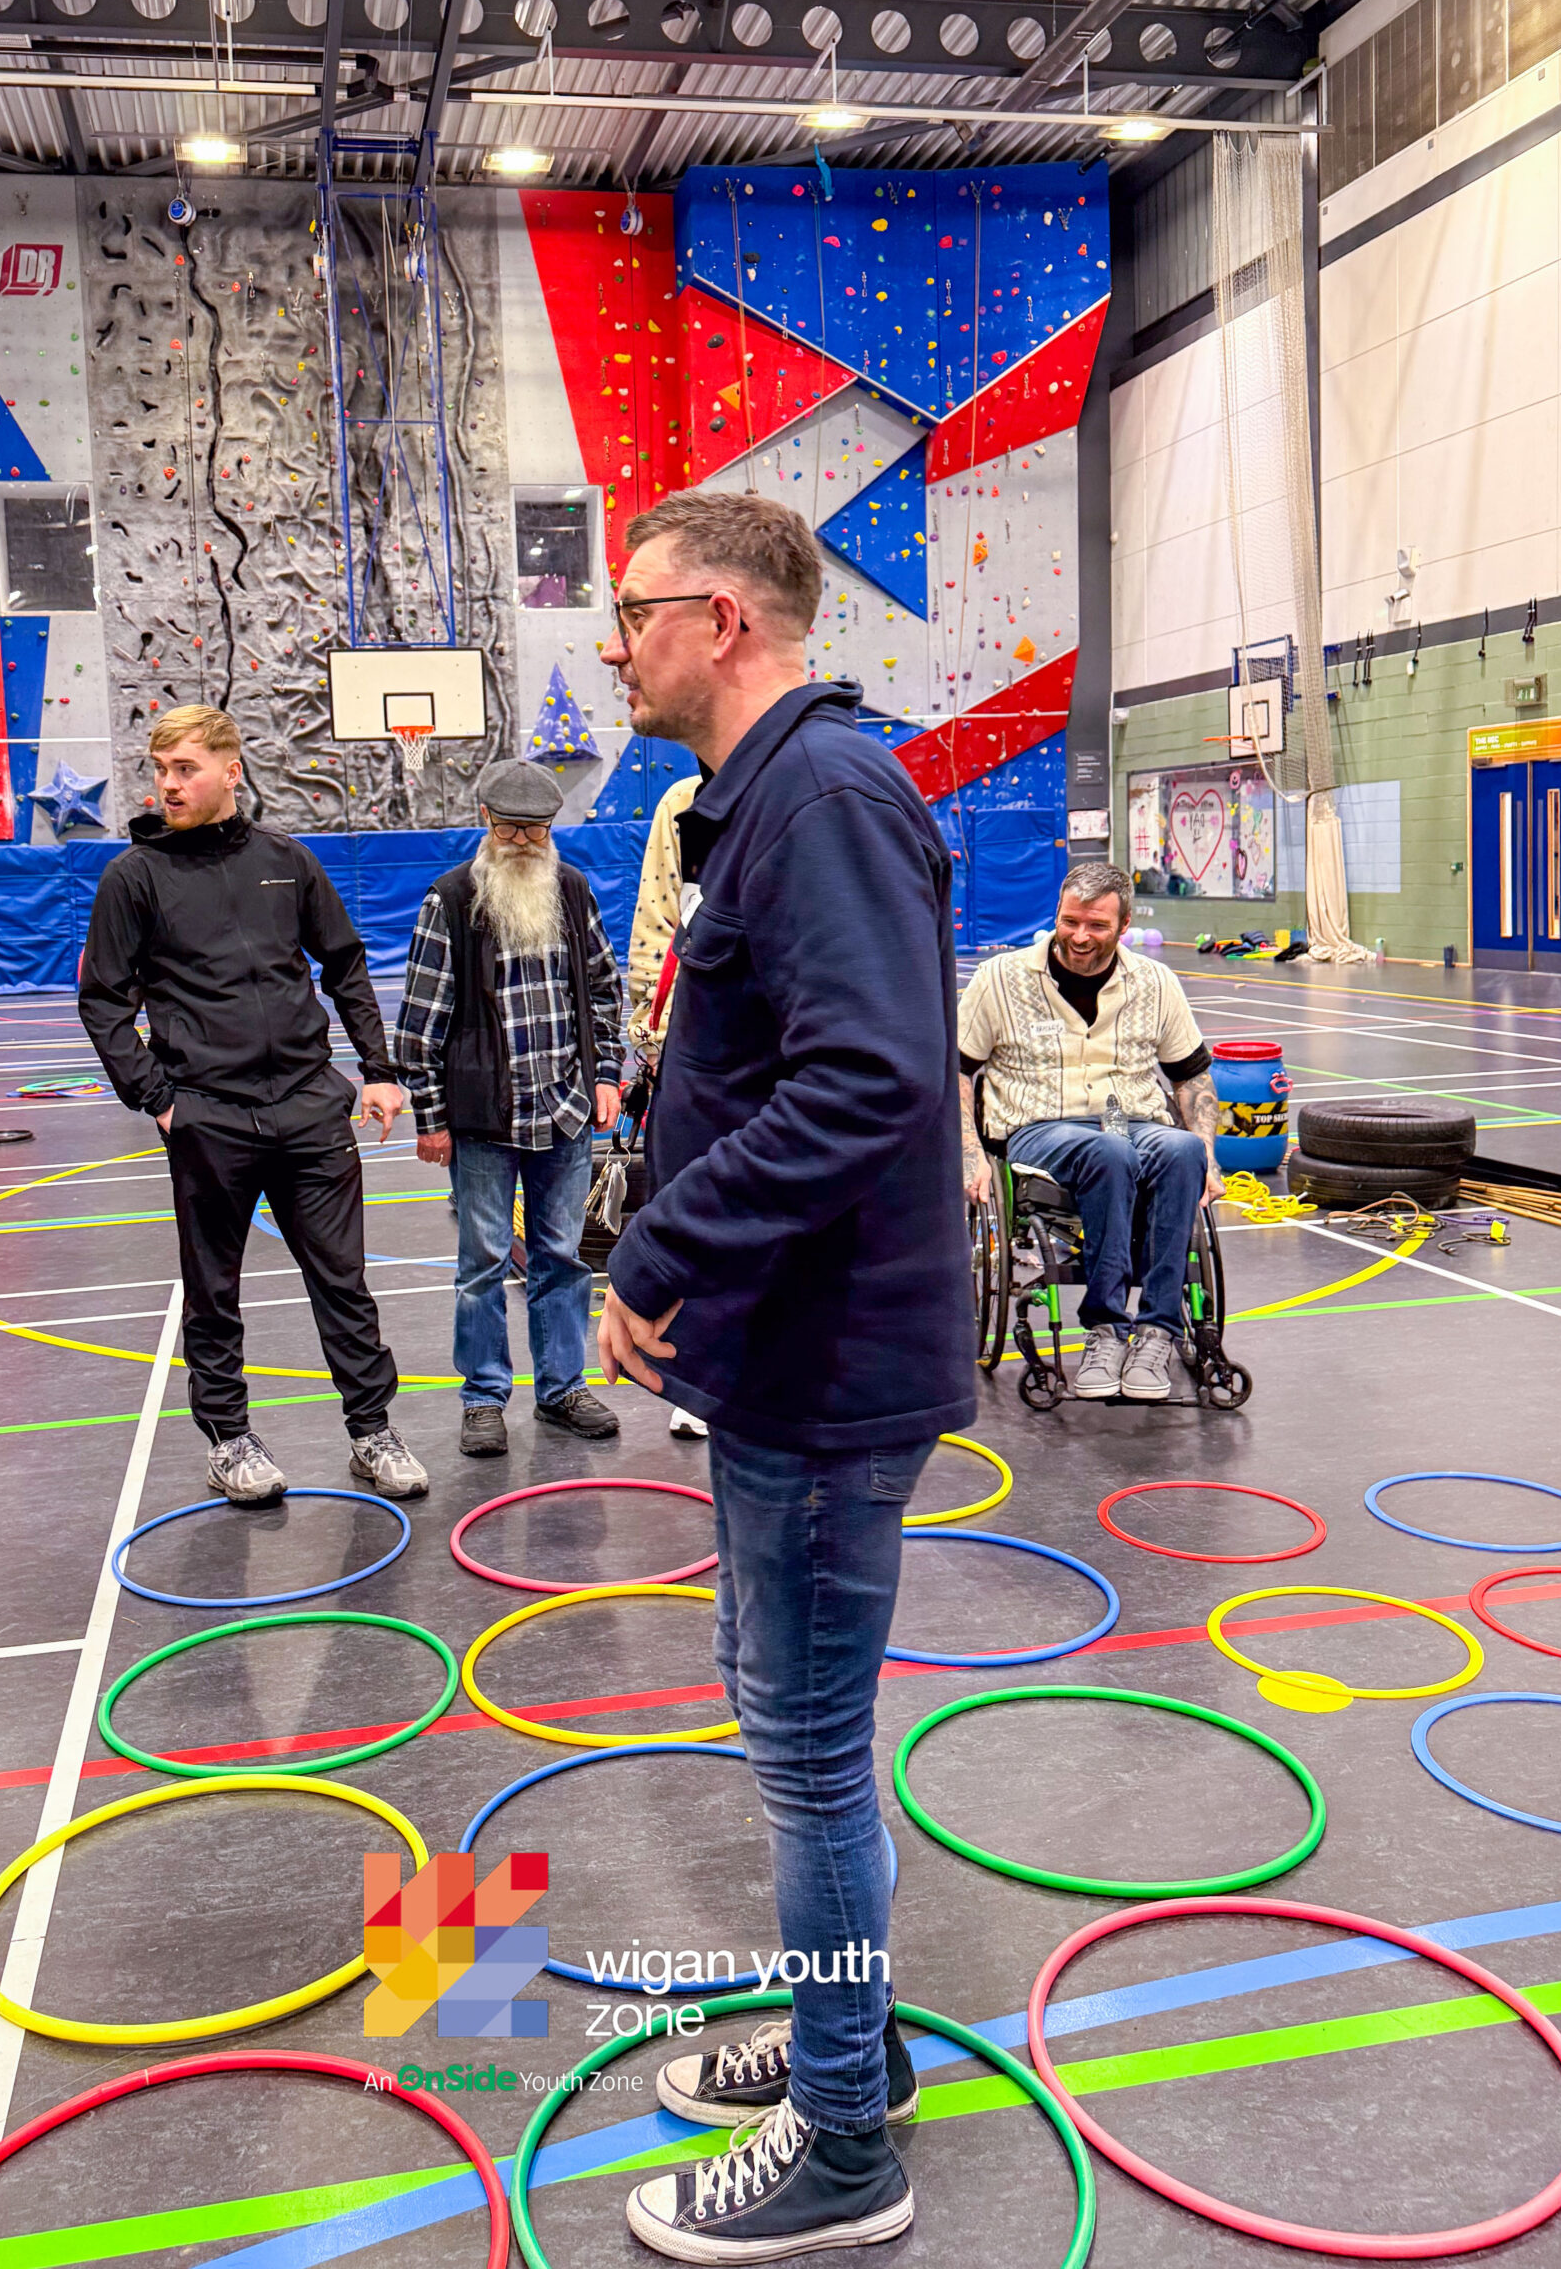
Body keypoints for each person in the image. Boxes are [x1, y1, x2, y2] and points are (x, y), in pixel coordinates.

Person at [594, 491, 972, 2262]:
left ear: (723, 621)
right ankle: (855, 2040)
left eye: (636, 610)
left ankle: (842, 2147)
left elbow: (869, 1080)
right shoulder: (761, 800)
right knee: (791, 1718)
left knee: (809, 1753)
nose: (616, 643)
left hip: (828, 1370)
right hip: (780, 1361)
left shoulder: (819, 797)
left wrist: (659, 1249)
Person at [78, 706, 424, 1500]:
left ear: (230, 771)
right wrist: (158, 1099)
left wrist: (377, 1069)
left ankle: (372, 1431)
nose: (168, 785)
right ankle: (229, 1441)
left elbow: (344, 963)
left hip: (309, 1107)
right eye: (160, 770)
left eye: (185, 769)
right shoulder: (134, 877)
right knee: (213, 1290)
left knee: (343, 1282)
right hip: (209, 1116)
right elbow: (103, 1000)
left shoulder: (285, 860)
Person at [396, 759, 627, 1461]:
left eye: (536, 830)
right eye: (509, 829)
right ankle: (483, 1397)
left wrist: (606, 1076)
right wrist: (431, 1118)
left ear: (551, 828)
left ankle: (562, 1388)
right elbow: (419, 1024)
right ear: (486, 822)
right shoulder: (450, 900)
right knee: (483, 1265)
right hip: (484, 1120)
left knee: (563, 1258)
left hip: (564, 1111)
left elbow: (603, 989)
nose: (523, 841)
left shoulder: (572, 890)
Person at [956, 863, 1221, 1403]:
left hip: (1130, 1118)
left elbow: (1192, 1078)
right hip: (1039, 1126)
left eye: (1097, 925)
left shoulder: (1155, 982)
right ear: (1056, 914)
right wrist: (970, 1154)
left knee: (1182, 1149)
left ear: (1124, 924)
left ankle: (1157, 1331)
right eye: (1069, 921)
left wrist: (1209, 1156)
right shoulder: (999, 980)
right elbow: (955, 1072)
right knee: (1110, 1152)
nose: (1079, 936)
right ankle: (1105, 1328)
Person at [624, 767, 707, 1440]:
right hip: (696, 1046)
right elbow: (656, 922)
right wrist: (652, 1035)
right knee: (692, 1208)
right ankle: (701, 1377)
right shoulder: (685, 801)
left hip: (788, 1043)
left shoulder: (818, 788)